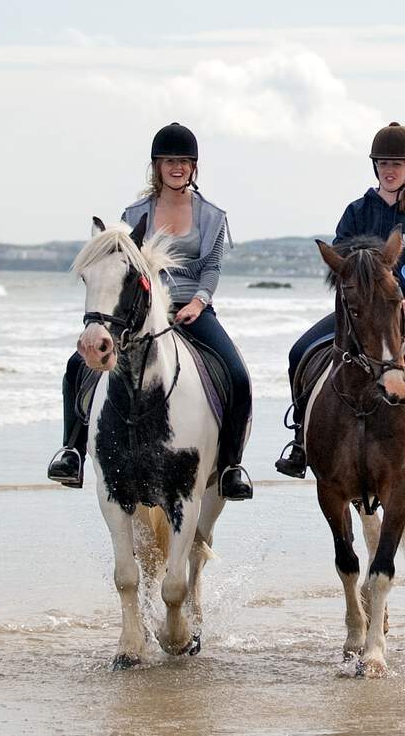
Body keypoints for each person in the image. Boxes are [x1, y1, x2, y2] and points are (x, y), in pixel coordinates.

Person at [47, 122, 255, 501]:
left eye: (184, 161)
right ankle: (71, 451)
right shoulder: (134, 212)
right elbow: (121, 265)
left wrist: (199, 302)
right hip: (141, 313)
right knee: (77, 367)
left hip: (192, 309)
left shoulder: (212, 216)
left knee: (237, 375)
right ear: (156, 166)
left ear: (194, 167)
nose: (176, 167)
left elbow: (212, 266)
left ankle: (231, 466)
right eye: (168, 160)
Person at [276, 122, 405, 477]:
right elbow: (340, 267)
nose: (390, 170)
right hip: (360, 314)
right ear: (375, 167)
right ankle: (300, 439)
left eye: (397, 164)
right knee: (300, 352)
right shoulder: (357, 211)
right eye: (384, 164)